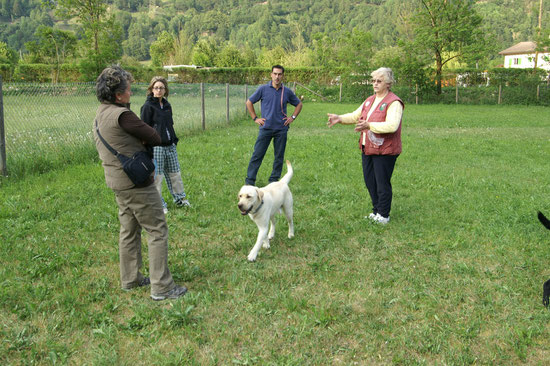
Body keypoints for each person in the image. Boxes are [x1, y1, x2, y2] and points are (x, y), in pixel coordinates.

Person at [93, 66, 187, 301]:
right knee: (157, 229)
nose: (131, 92)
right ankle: (162, 287)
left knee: (129, 230)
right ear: (118, 95)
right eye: (127, 89)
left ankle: (131, 278)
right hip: (136, 183)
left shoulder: (101, 113)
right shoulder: (123, 115)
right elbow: (155, 136)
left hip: (117, 182)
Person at [327, 67, 404, 224]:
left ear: (388, 83)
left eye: (379, 81)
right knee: (370, 181)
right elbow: (356, 116)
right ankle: (376, 211)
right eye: (373, 81)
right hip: (367, 148)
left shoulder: (394, 102)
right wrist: (339, 118)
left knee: (382, 183)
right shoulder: (370, 100)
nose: (375, 84)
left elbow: (392, 126)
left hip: (385, 150)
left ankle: (383, 215)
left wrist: (369, 125)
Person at [245, 65, 303, 186]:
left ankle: (273, 181)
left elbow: (299, 104)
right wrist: (255, 118)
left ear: (283, 76)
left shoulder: (286, 91)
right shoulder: (263, 89)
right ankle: (249, 182)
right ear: (271, 74)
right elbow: (249, 102)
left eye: (279, 74)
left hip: (281, 129)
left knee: (279, 156)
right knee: (257, 155)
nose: (277, 77)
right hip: (265, 128)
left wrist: (292, 117)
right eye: (275, 74)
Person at [140, 76, 190, 215]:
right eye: (156, 88)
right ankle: (159, 204)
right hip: (156, 147)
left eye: (161, 87)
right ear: (151, 89)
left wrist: (173, 140)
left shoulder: (167, 106)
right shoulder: (147, 107)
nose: (159, 90)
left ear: (165, 89)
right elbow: (144, 128)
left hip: (170, 145)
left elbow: (170, 125)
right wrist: (147, 148)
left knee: (175, 173)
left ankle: (180, 199)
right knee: (157, 176)